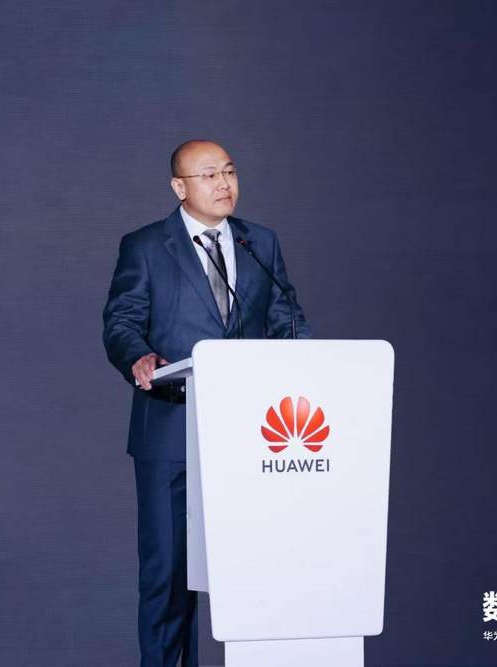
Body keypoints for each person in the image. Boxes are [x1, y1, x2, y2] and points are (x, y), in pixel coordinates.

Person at [102, 140, 312, 666]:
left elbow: (286, 317)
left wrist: (311, 364)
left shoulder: (259, 242)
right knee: (169, 574)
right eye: (209, 174)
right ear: (180, 186)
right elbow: (122, 321)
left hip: (250, 436)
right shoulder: (145, 246)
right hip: (171, 430)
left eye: (230, 172)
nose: (224, 184)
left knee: (246, 571)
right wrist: (138, 357)